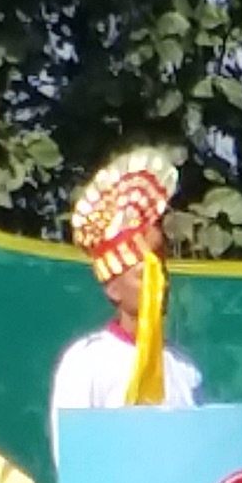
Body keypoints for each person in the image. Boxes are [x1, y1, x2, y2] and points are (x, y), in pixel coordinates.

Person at [50, 150, 202, 440]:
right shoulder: (87, 362)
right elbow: (74, 454)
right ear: (113, 289)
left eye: (163, 273)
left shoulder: (183, 367)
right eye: (144, 275)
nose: (161, 285)